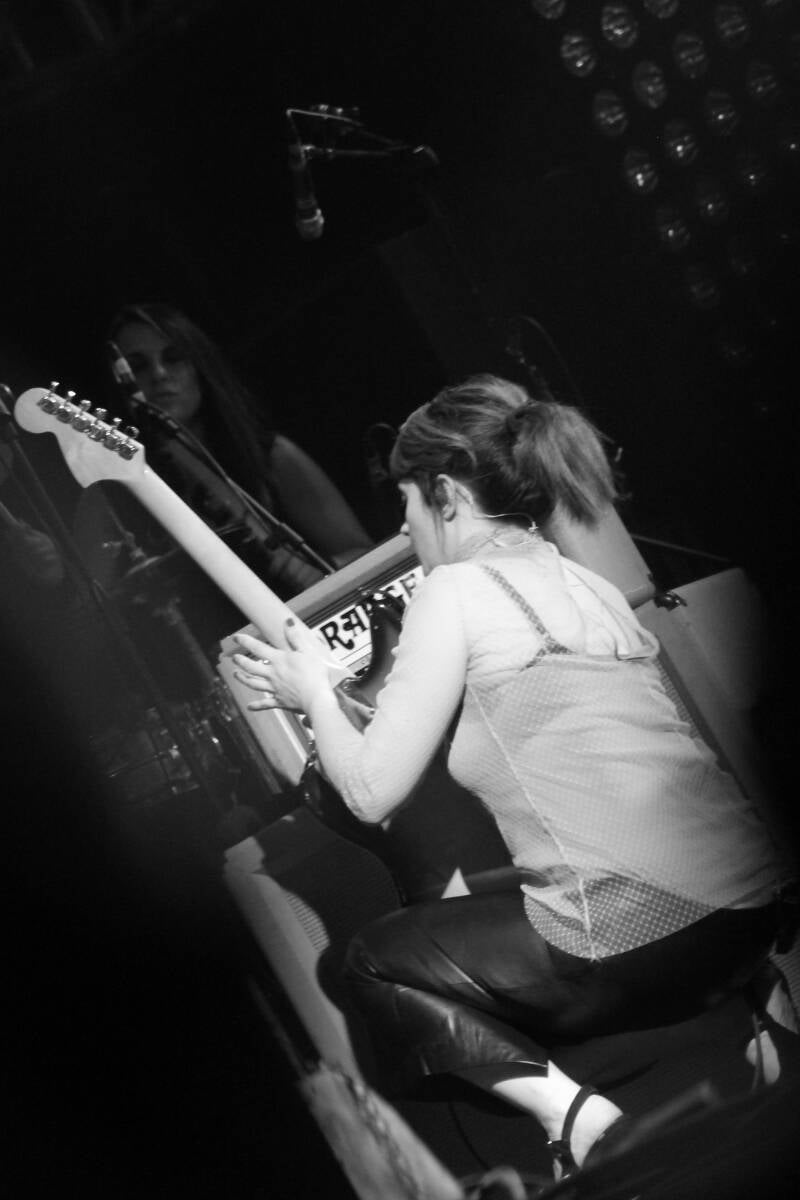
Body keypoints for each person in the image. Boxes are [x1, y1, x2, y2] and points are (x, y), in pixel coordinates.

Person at [231, 374, 794, 1180]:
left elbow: (368, 792)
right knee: (495, 892)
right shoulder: (586, 581)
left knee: (370, 961)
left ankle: (580, 1121)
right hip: (750, 915)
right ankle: (757, 1028)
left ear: (449, 495)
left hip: (644, 932)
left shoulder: (454, 590)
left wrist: (316, 695)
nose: (403, 525)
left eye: (407, 502)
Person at [75, 301, 372, 604]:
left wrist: (318, 578)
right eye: (137, 367)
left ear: (199, 368)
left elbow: (362, 554)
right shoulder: (109, 497)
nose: (159, 374)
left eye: (174, 358)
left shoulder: (270, 457)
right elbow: (93, 607)